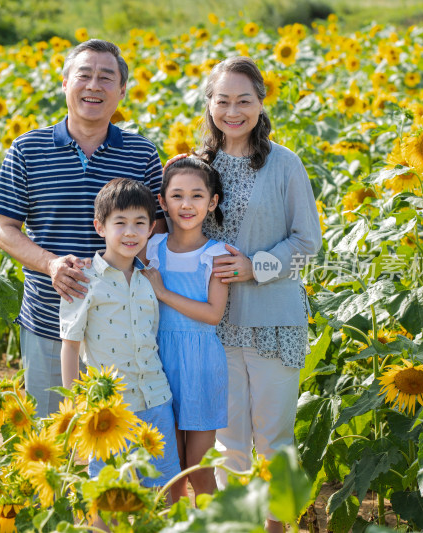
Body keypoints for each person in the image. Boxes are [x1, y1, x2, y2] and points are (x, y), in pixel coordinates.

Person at [0, 39, 164, 418]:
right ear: (65, 83)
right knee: (56, 435)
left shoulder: (143, 154)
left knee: (123, 443)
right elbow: (6, 228)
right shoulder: (26, 149)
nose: (94, 86)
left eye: (106, 77)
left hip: (124, 329)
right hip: (50, 318)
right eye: (84, 75)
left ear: (121, 91)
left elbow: (159, 232)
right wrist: (51, 264)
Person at [194, 56, 322, 533]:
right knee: (228, 441)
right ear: (209, 105)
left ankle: (277, 527)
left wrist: (255, 267)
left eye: (243, 100)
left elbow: (308, 243)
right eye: (222, 100)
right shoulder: (196, 165)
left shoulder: (285, 163)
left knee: (274, 439)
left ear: (260, 103)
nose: (232, 110)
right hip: (216, 324)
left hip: (274, 322)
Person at [59, 178, 180, 491]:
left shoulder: (150, 277)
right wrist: (76, 406)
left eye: (140, 223)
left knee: (164, 487)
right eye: (120, 223)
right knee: (107, 490)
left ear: (151, 227)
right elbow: (70, 346)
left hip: (156, 399)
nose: (130, 232)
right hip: (109, 408)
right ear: (100, 227)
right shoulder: (82, 279)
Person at [140, 156, 229, 500]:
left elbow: (212, 314)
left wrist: (163, 292)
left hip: (201, 365)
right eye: (176, 196)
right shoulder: (151, 249)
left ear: (212, 202)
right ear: (161, 202)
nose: (186, 204)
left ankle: (215, 525)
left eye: (196, 195)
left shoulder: (218, 255)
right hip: (158, 362)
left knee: (199, 466)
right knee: (168, 466)